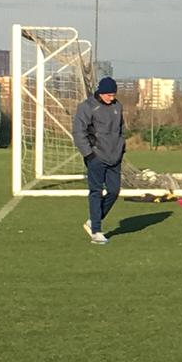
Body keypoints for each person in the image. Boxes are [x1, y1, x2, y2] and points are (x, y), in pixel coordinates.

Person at [71, 76, 125, 244]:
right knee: (96, 192)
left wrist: (121, 148)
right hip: (96, 157)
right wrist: (89, 155)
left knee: (114, 191)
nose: (111, 98)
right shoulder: (86, 107)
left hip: (114, 157)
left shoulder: (118, 106)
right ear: (100, 93)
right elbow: (79, 133)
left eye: (113, 94)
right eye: (108, 95)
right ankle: (96, 231)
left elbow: (120, 130)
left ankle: (92, 221)